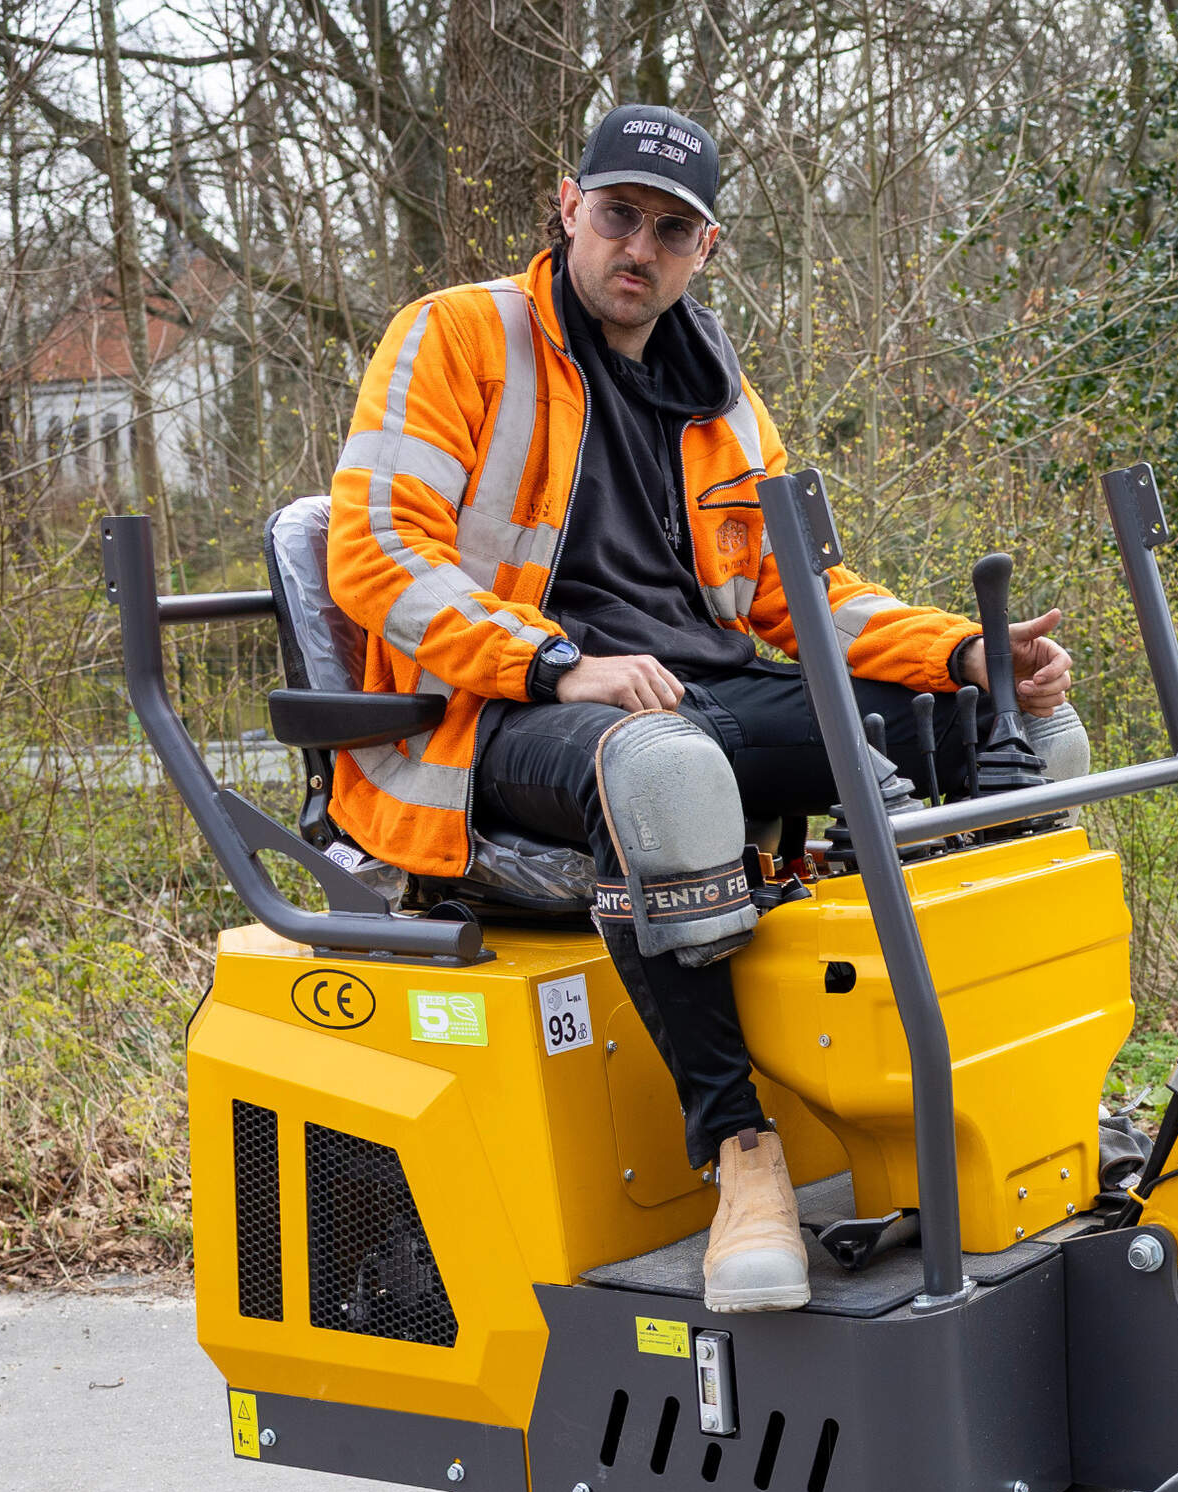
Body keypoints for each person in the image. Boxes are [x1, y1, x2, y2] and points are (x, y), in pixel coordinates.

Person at [325, 105, 1080, 1313]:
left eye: (672, 231)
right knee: (661, 772)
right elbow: (372, 551)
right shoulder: (460, 337)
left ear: (706, 250)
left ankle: (1008, 1097)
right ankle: (742, 1156)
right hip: (491, 723)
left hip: (695, 697)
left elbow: (804, 604)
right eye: (620, 215)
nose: (641, 248)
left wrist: (964, 656)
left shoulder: (719, 399)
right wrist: (554, 659)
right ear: (570, 208)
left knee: (1014, 736)